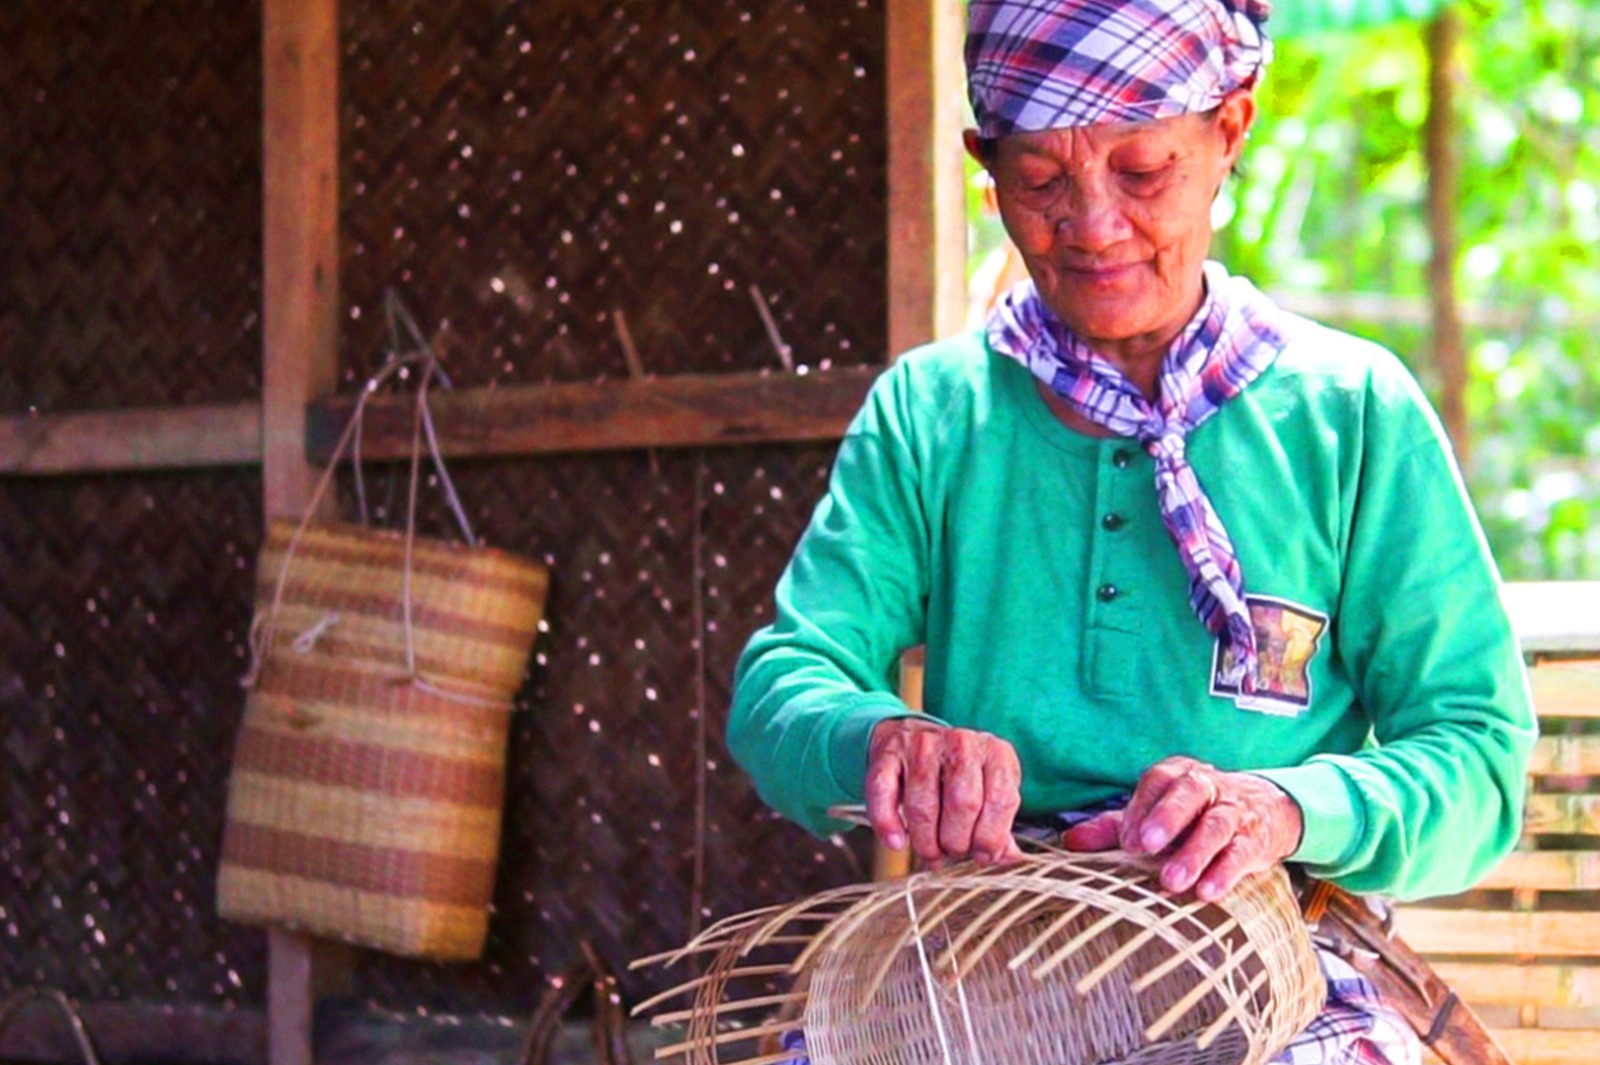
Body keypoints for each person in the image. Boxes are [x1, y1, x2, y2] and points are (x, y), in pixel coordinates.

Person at [727, 1, 1537, 1061]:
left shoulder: (1351, 414)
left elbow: (1476, 761)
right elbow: (782, 679)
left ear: (1229, 133)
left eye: (1142, 169)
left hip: (1275, 958)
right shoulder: (933, 414)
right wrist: (884, 742)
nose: (1093, 224)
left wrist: (1280, 809)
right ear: (985, 165)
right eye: (1039, 181)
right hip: (983, 965)